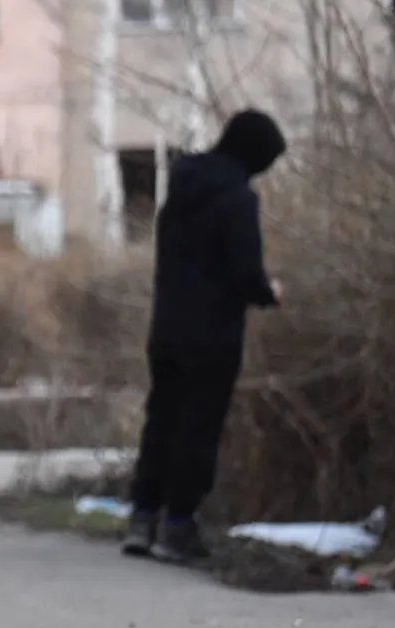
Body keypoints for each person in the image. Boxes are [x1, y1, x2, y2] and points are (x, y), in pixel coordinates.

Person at [122, 108, 287, 563]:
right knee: (198, 427)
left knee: (161, 420)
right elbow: (244, 273)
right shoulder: (237, 199)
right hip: (214, 334)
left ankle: (142, 518)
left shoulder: (179, 186)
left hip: (168, 326)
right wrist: (268, 292)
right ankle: (179, 526)